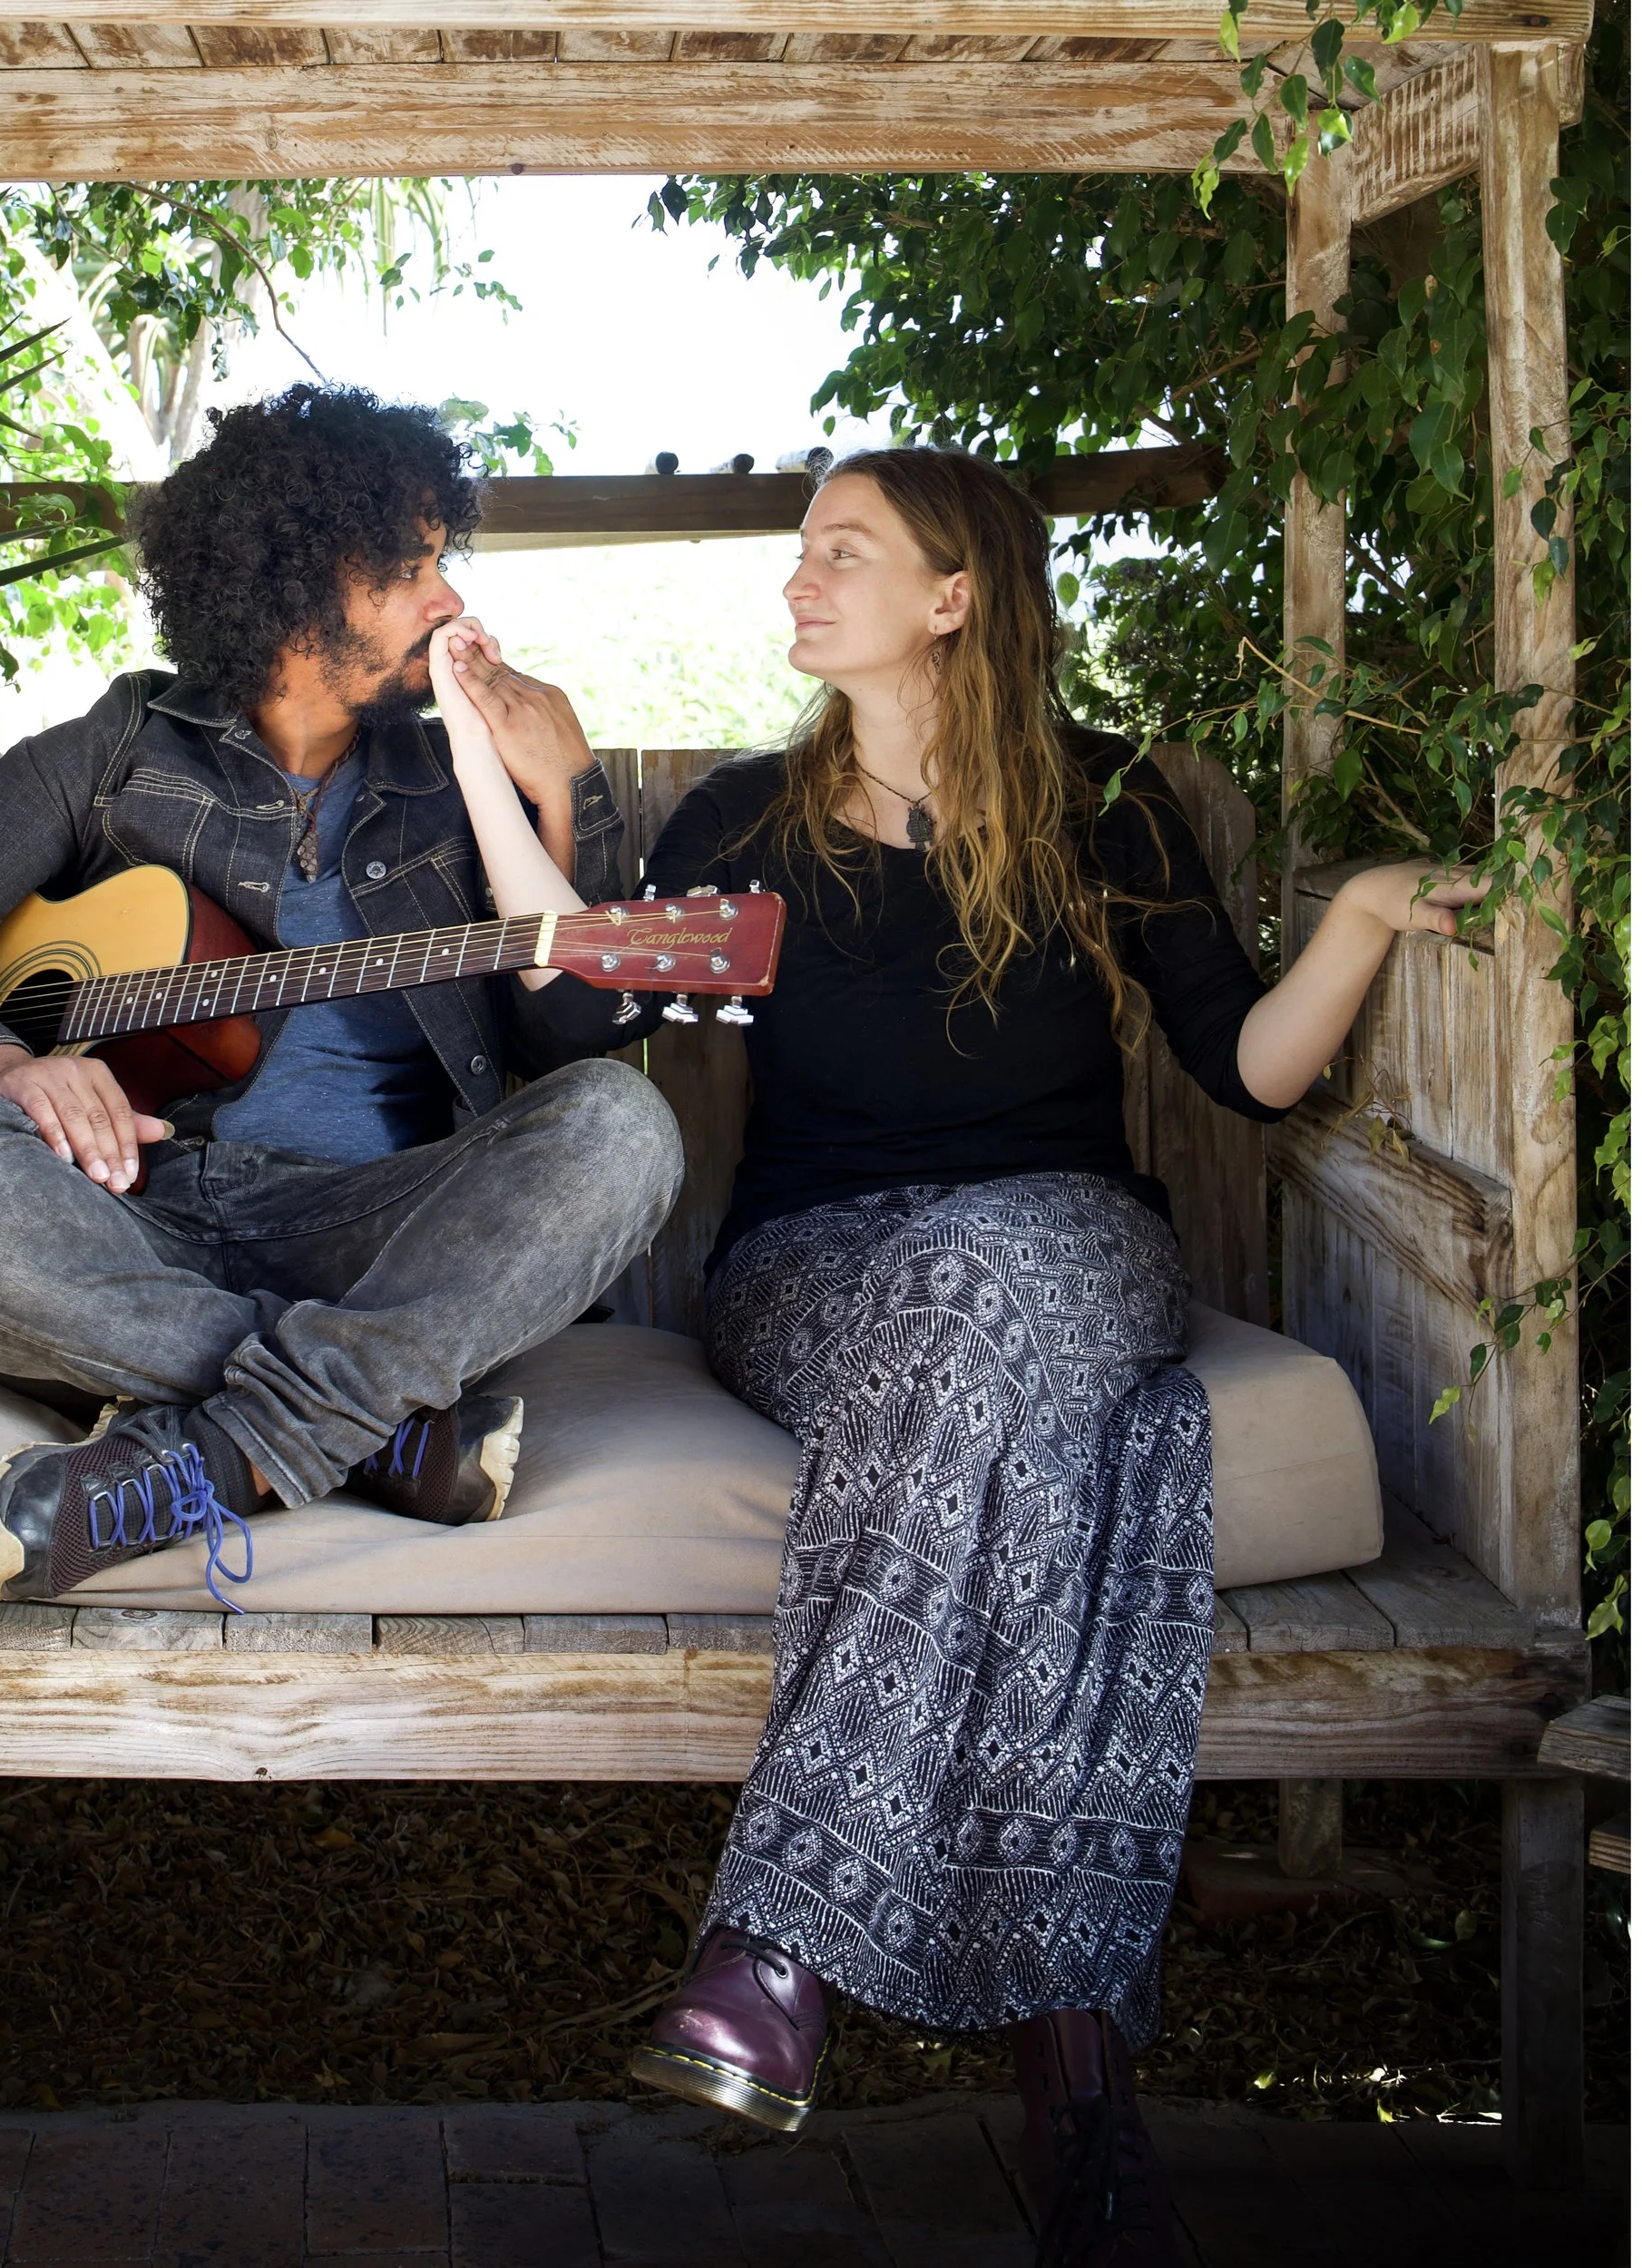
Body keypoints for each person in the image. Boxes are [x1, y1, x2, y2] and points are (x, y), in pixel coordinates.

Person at [609, 447, 1482, 2266]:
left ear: (952, 594)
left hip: (1071, 1246)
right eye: (798, 549)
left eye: (840, 547)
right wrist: (519, 771)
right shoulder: (735, 825)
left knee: (979, 1285)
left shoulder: (1106, 806)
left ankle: (778, 1948)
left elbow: (1247, 1063)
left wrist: (1353, 924)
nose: (797, 576)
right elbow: (570, 1007)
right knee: (1015, 1403)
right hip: (804, 1275)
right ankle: (1074, 2086)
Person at [0, 385, 680, 1607]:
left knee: (621, 1127)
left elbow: (583, 1031)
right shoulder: (122, 748)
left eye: (444, 562)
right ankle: (373, 1422)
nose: (451, 602)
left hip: (374, 1233)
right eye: (409, 568)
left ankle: (210, 1453)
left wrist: (565, 795)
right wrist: (1, 1065)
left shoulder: (452, 785)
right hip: (128, 1216)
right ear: (294, 584)